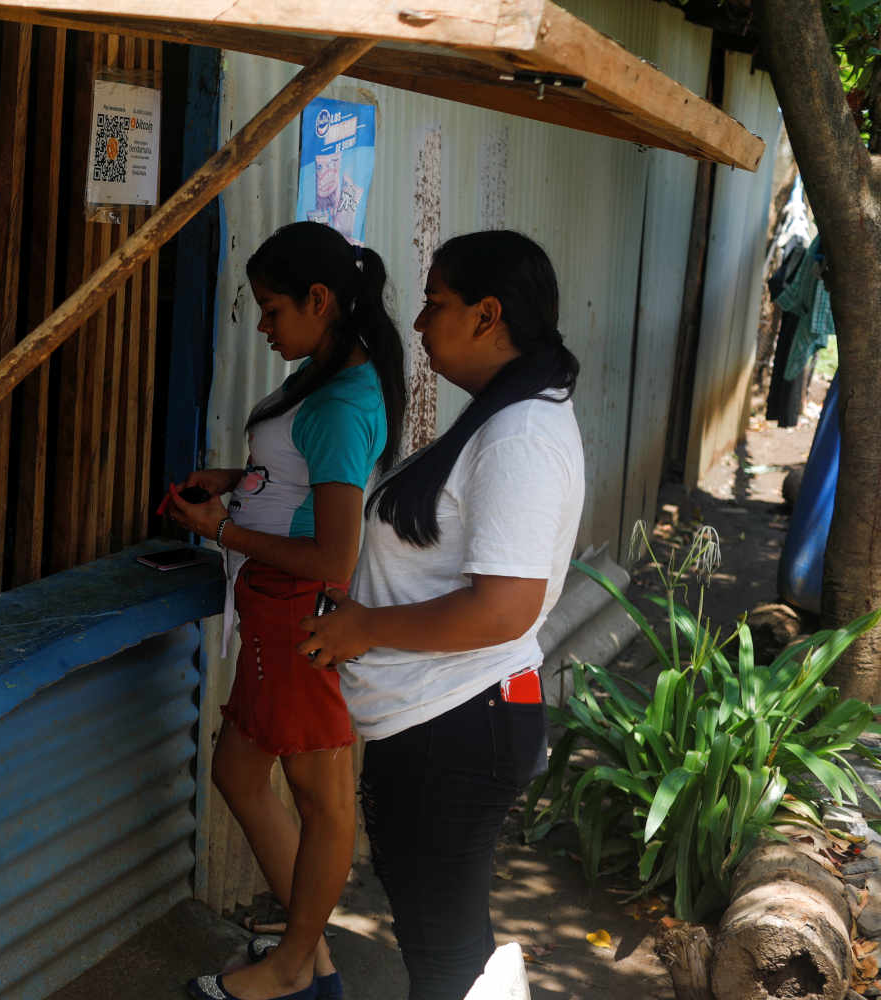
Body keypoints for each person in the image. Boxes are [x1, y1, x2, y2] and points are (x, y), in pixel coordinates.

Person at [300, 230, 584, 1000]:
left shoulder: (520, 435)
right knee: (443, 940)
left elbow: (506, 606)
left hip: (458, 727)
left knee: (446, 957)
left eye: (436, 304)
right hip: (447, 721)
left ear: (488, 315)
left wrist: (365, 628)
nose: (420, 324)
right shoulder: (507, 414)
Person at [163, 220, 406, 1000]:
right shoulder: (323, 380)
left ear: (320, 300)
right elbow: (298, 480)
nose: (262, 326)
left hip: (303, 613)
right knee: (239, 770)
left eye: (272, 310)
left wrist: (222, 529)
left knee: (323, 798)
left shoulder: (337, 403)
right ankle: (310, 958)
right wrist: (238, 478)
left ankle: (298, 966)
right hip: (271, 611)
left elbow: (335, 556)